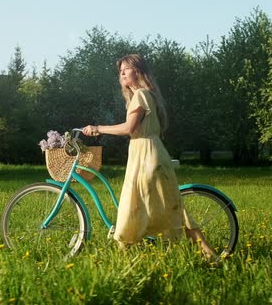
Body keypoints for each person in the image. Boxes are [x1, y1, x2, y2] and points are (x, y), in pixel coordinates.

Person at [82, 54, 215, 258]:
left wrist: (97, 128)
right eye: (121, 71)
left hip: (147, 156)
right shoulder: (143, 96)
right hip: (146, 153)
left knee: (135, 206)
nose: (122, 73)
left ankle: (123, 259)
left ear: (138, 71)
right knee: (164, 207)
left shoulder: (141, 95)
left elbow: (129, 127)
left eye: (126, 68)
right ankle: (207, 254)